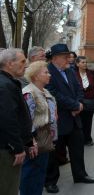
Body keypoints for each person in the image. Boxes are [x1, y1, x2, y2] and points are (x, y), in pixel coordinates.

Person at [45, 43, 94, 194]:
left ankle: (80, 175)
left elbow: (79, 89)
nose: (69, 59)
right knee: (54, 153)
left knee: (77, 149)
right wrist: (74, 105)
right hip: (58, 120)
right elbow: (53, 94)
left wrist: (79, 104)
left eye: (68, 56)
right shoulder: (48, 72)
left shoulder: (69, 71)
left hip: (75, 118)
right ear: (55, 58)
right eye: (65, 56)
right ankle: (51, 181)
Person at [20, 61, 58, 195]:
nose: (50, 75)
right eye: (46, 72)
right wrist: (31, 141)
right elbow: (26, 120)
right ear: (35, 76)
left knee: (40, 171)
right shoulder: (29, 93)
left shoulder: (44, 91)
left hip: (46, 136)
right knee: (30, 172)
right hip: (35, 138)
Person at [0, 49, 34, 195]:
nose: (26, 65)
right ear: (9, 64)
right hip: (7, 149)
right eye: (22, 61)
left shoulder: (8, 82)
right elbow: (7, 119)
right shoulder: (4, 85)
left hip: (9, 146)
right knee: (8, 188)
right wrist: (17, 147)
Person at [74, 56, 94, 146]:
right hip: (79, 101)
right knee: (79, 121)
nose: (85, 64)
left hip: (90, 101)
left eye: (86, 62)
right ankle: (79, 139)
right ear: (77, 64)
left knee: (88, 121)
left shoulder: (92, 73)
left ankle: (88, 139)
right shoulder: (73, 74)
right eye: (82, 62)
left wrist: (89, 93)